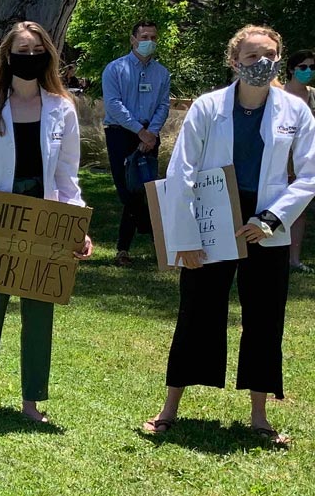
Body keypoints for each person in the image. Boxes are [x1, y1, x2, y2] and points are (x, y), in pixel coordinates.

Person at [142, 26, 315, 445]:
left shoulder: (297, 111)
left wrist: (271, 220)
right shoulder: (207, 107)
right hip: (211, 221)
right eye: (252, 57)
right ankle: (168, 410)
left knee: (265, 318)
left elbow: (309, 174)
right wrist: (185, 238)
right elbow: (181, 172)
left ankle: (259, 417)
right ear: (234, 62)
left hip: (264, 227)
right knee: (197, 311)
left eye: (269, 55)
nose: (262, 64)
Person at [0, 21, 93, 423]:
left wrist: (78, 224)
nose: (29, 58)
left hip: (45, 219)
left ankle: (32, 402)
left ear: (48, 55)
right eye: (21, 51)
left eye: (36, 51)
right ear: (6, 57)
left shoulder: (63, 108)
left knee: (39, 315)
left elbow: (67, 176)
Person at [102, 21, 172, 267]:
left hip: (150, 136)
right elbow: (113, 105)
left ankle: (126, 249)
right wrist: (139, 132)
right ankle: (153, 239)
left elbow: (164, 105)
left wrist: (150, 133)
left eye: (153, 37)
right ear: (133, 39)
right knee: (128, 191)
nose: (149, 41)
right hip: (122, 134)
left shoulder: (162, 73)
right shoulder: (115, 69)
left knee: (147, 191)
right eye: (144, 36)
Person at [283, 48, 314, 272]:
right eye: (303, 67)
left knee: (301, 207)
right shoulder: (278, 93)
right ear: (292, 69)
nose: (308, 71)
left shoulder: (313, 94)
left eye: (312, 67)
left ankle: (294, 259)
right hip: (283, 159)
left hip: (308, 157)